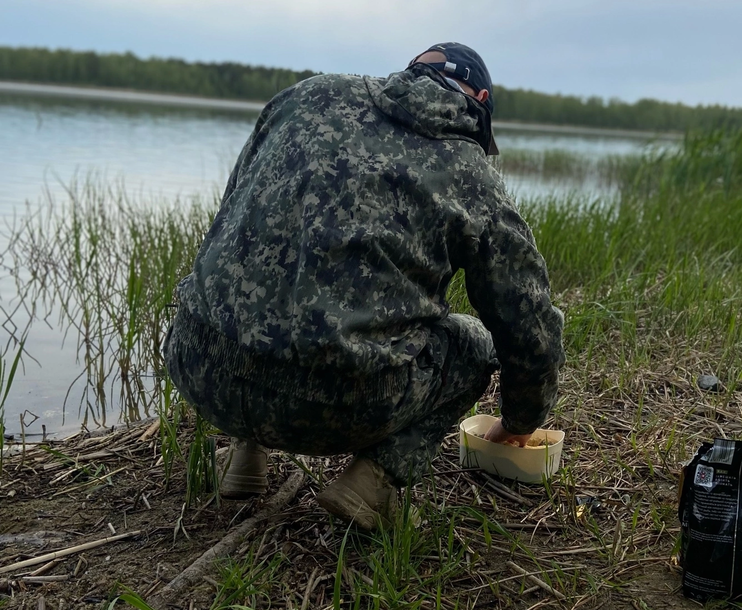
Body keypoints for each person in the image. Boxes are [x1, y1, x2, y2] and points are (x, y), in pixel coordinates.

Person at [163, 43, 565, 530]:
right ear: (478, 101)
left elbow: (230, 219)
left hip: (198, 365)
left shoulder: (307, 96)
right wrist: (520, 423)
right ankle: (371, 487)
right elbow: (530, 326)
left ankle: (244, 457)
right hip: (331, 405)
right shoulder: (469, 171)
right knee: (474, 345)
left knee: (259, 291)